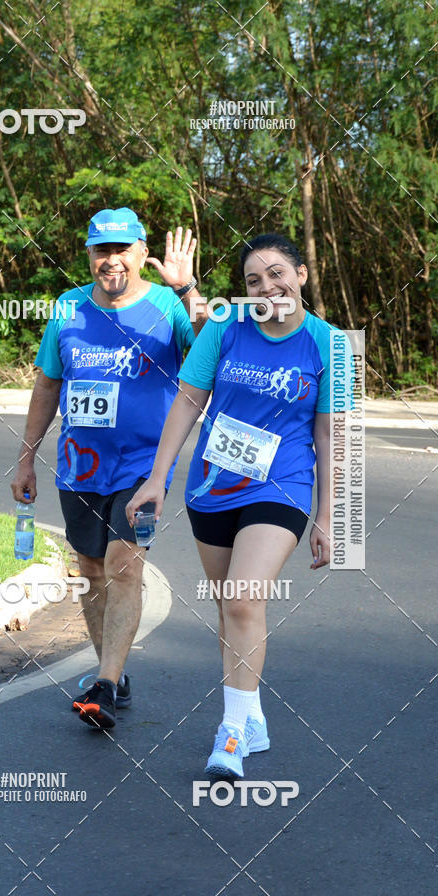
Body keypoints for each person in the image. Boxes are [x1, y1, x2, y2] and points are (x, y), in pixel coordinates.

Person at [126, 232, 351, 778]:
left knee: (246, 597)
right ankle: (250, 715)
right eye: (254, 280)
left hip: (283, 483)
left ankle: (230, 734)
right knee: (230, 604)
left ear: (300, 274)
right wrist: (157, 479)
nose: (267, 286)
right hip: (212, 485)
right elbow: (186, 401)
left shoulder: (331, 345)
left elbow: (330, 435)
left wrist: (329, 515)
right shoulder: (226, 326)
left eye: (277, 273)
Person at [11, 207, 207, 730]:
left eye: (122, 249)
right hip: (79, 465)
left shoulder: (168, 303)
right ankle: (111, 676)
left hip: (145, 466)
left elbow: (209, 347)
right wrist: (26, 458)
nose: (111, 260)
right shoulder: (68, 307)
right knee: (92, 569)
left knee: (125, 564)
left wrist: (189, 290)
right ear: (90, 255)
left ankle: (103, 684)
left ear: (143, 252)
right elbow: (48, 384)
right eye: (102, 250)